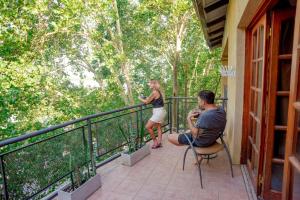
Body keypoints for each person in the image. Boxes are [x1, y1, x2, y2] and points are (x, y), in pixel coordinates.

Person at [139, 80, 167, 149]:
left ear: (153, 85)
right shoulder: (156, 91)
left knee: (148, 127)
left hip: (158, 112)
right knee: (158, 127)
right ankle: (159, 142)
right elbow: (150, 99)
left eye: (150, 83)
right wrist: (146, 97)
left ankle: (155, 142)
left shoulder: (154, 92)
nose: (149, 85)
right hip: (161, 111)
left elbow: (147, 102)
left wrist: (140, 98)